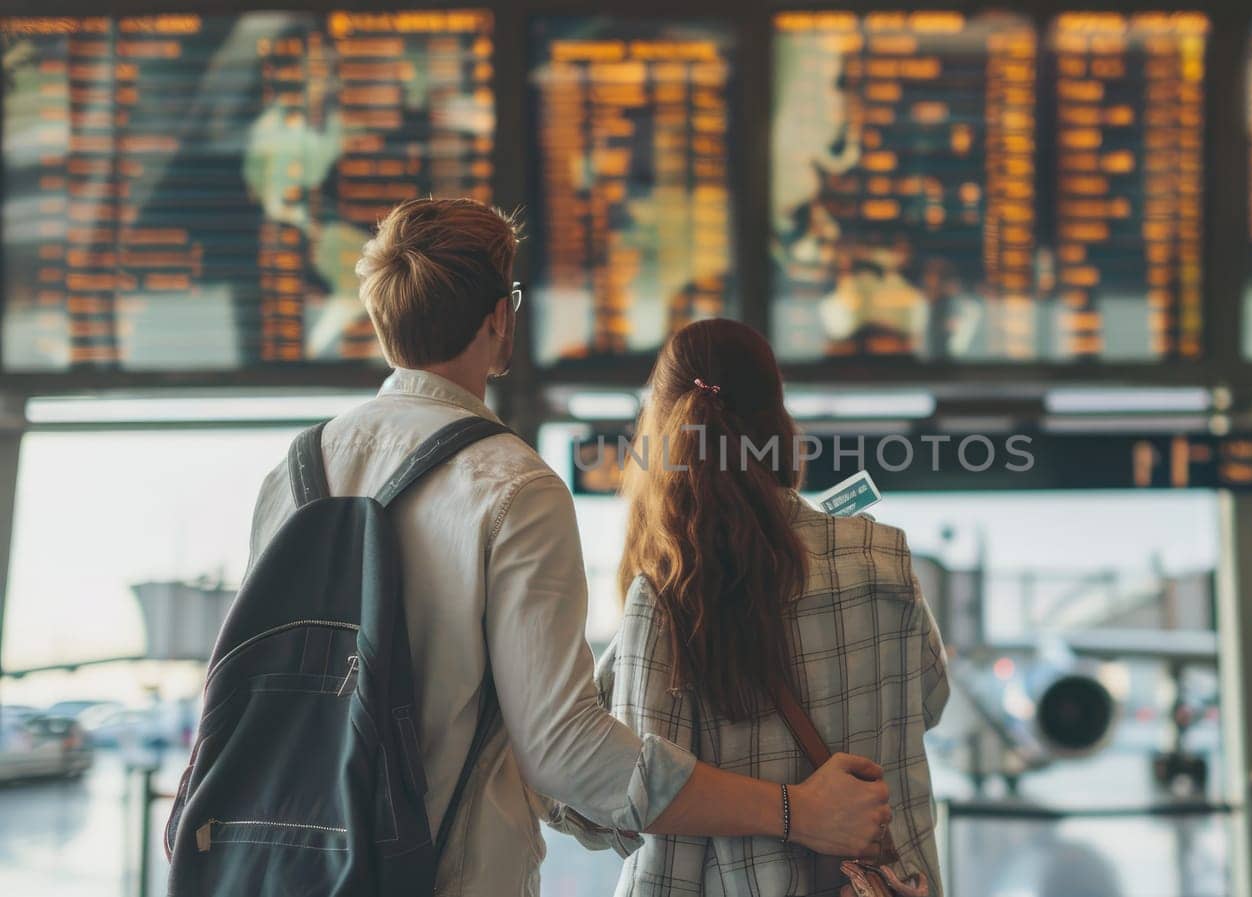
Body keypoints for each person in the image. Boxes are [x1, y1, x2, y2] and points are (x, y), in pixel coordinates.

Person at [245, 199, 892, 897]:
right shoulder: (512, 485)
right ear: (499, 318)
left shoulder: (297, 472)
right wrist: (795, 810)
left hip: (284, 869)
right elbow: (564, 751)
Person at [587, 318, 949, 896]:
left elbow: (635, 801)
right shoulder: (885, 558)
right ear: (780, 423)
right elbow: (928, 704)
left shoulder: (668, 596)